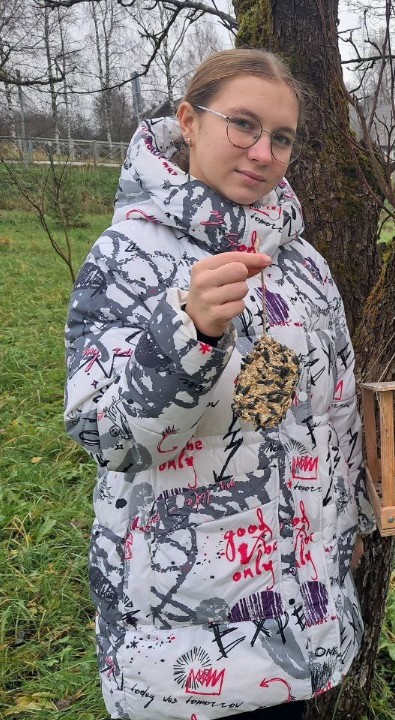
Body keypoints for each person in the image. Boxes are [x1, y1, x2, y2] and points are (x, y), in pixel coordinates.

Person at [64, 49, 375, 720]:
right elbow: (107, 437)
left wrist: (345, 540)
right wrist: (188, 334)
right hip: (183, 653)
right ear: (189, 120)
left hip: (298, 630)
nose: (262, 151)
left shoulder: (307, 267)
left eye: (281, 137)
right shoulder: (128, 257)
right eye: (242, 124)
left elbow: (339, 420)